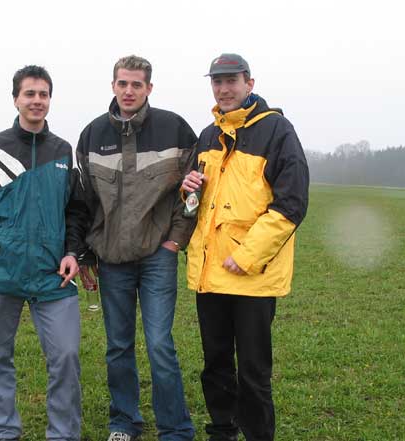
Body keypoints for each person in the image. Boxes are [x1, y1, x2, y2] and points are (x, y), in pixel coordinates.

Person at [0, 65, 88, 441]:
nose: (37, 100)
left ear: (50, 100)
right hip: (0, 274)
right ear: (15, 99)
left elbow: (77, 210)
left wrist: (73, 252)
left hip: (53, 276)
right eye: (30, 94)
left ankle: (63, 434)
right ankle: (4, 431)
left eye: (43, 94)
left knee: (66, 357)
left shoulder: (64, 152)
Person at [181, 53, 309, 441]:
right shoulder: (207, 135)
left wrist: (247, 256)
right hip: (210, 274)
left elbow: (292, 203)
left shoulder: (276, 130)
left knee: (254, 372)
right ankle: (222, 431)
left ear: (249, 83)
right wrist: (187, 190)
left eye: (231, 81)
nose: (223, 89)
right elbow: (197, 205)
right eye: (217, 82)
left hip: (252, 276)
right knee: (215, 364)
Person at [76, 55, 197, 441]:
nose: (129, 91)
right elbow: (84, 201)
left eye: (137, 84)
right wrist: (86, 254)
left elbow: (195, 190)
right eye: (123, 83)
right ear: (113, 85)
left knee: (160, 344)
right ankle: (123, 423)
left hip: (159, 254)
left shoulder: (174, 128)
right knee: (118, 346)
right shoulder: (92, 135)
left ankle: (175, 429)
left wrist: (176, 240)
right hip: (112, 259)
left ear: (149, 88)